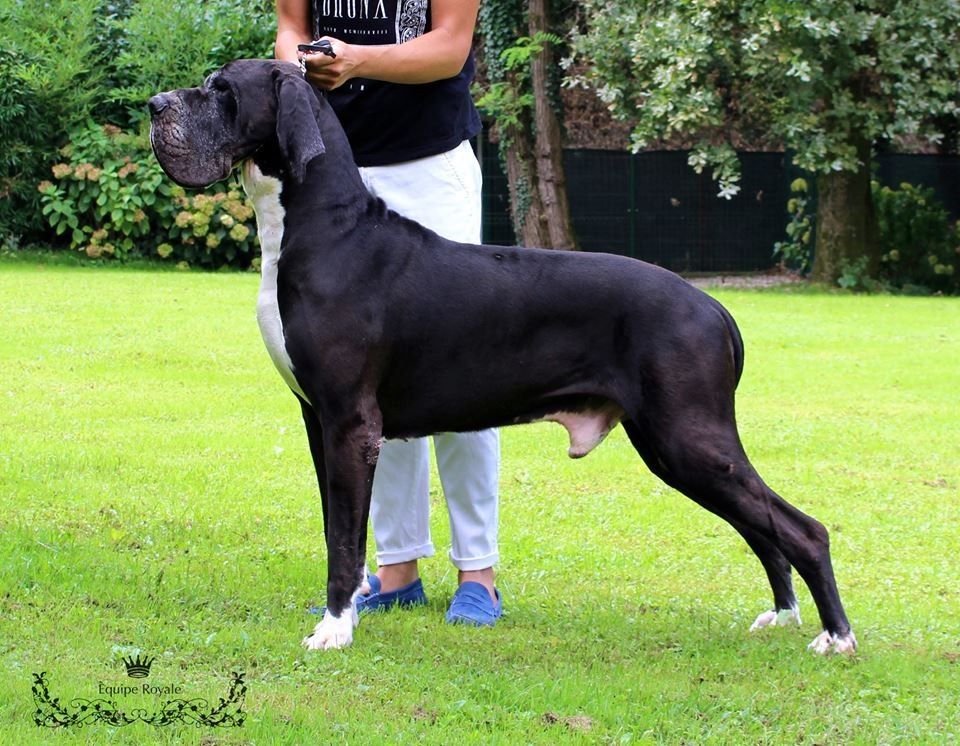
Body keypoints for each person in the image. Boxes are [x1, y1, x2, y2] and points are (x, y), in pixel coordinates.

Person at [275, 0, 502, 626]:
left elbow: (450, 46)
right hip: (337, 167)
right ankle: (397, 568)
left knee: (464, 369)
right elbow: (290, 28)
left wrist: (356, 60)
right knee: (362, 381)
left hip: (429, 164)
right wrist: (300, 65)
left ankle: (478, 573)